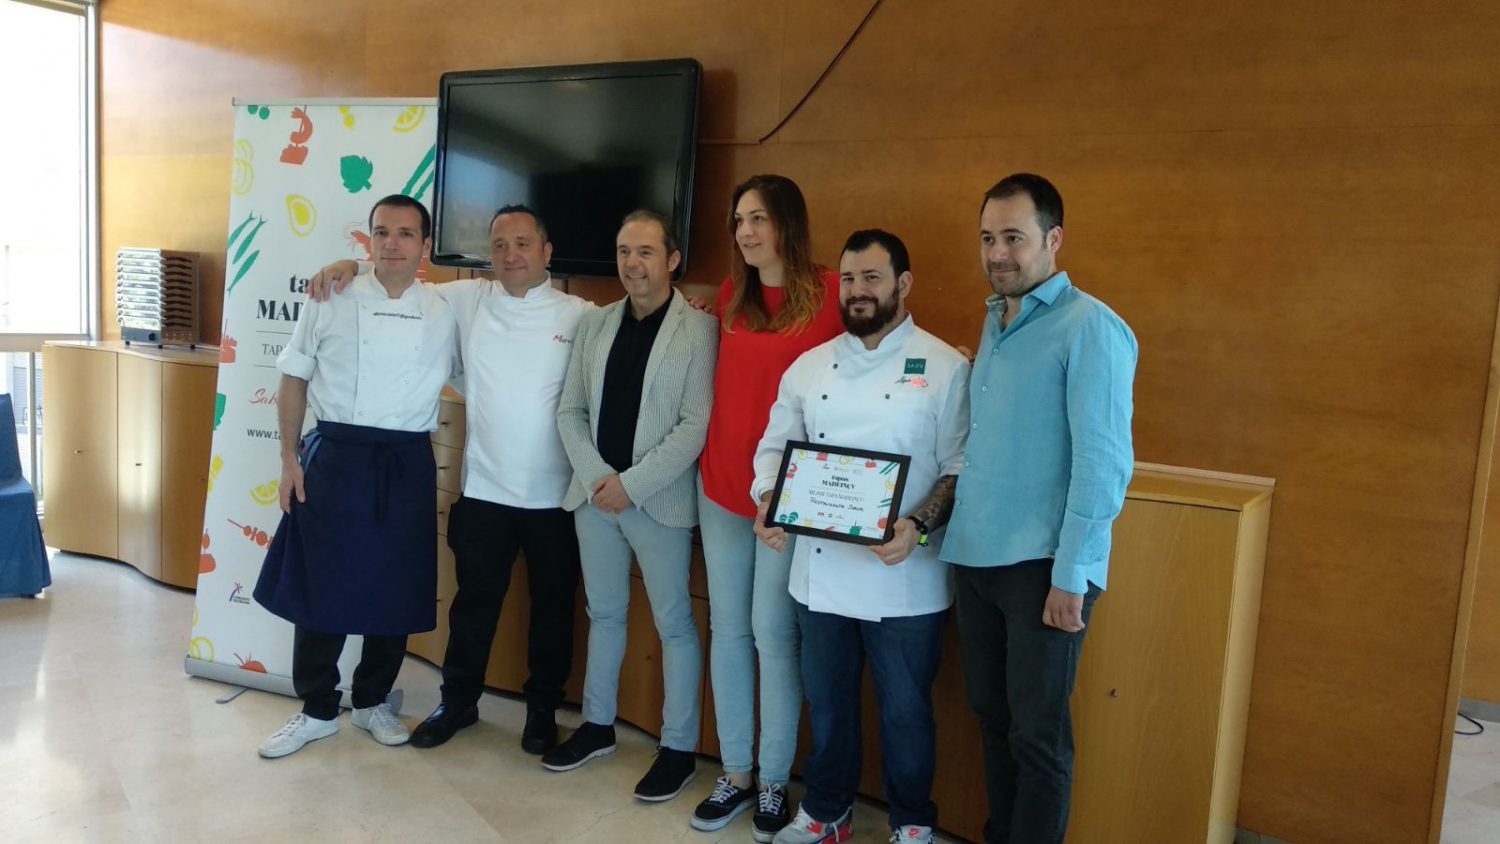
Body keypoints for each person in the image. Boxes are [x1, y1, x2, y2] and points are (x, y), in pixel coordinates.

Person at [305, 204, 592, 755]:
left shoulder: (580, 313)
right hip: (483, 489)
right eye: (500, 245)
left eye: (523, 244)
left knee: (553, 612)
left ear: (547, 252)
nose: (510, 255)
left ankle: (540, 713)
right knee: (473, 609)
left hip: (557, 496)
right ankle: (457, 702)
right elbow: (392, 278)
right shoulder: (462, 299)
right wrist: (345, 263)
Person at [751, 230, 970, 844]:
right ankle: (826, 812)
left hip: (906, 579)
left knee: (905, 715)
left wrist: (919, 526)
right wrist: (768, 499)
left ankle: (912, 824)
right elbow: (773, 449)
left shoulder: (947, 368)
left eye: (872, 278)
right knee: (829, 706)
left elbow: (960, 467)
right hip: (819, 578)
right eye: (849, 279)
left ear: (903, 284)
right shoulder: (810, 365)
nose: (858, 291)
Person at [940, 174, 1137, 844]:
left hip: (1042, 570)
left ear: (1052, 240)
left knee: (1039, 737)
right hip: (975, 558)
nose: (999, 253)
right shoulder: (999, 319)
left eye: (1014, 238)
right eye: (989, 238)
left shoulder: (1092, 327)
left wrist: (1070, 575)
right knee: (994, 722)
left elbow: (1104, 464)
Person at [254, 194, 460, 759]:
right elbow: (295, 377)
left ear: (424, 244)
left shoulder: (445, 308)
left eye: (405, 234)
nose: (392, 243)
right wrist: (289, 459)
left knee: (394, 587)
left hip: (405, 460)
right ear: (367, 240)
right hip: (337, 455)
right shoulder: (331, 295)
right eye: (381, 232)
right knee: (323, 584)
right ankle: (317, 708)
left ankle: (372, 702)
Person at [541, 209, 717, 803]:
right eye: (623, 251)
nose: (631, 264)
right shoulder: (596, 325)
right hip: (595, 499)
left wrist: (632, 485)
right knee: (605, 613)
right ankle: (597, 726)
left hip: (658, 502)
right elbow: (569, 412)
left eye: (645, 252)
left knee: (674, 624)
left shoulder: (698, 331)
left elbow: (695, 425)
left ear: (671, 259)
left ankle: (678, 748)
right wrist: (599, 479)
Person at [691, 174, 844, 841]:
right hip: (722, 486)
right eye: (737, 220)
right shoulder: (731, 295)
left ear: (788, 220)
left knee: (773, 635)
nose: (745, 232)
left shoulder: (834, 292)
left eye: (757, 218)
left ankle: (777, 781)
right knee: (727, 630)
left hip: (786, 502)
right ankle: (737, 771)